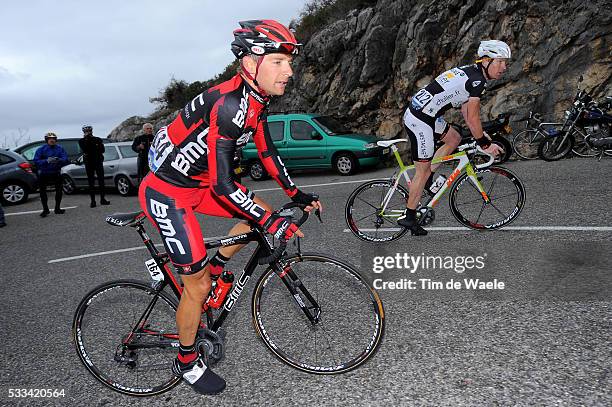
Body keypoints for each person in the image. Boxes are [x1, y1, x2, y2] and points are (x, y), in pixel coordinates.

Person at [139, 20, 322, 395]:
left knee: (255, 214)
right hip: (168, 193)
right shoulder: (230, 104)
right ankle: (187, 361)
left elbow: (267, 151)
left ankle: (219, 266)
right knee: (198, 283)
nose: (288, 72)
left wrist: (295, 194)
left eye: (289, 63)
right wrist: (271, 220)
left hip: (199, 184)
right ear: (251, 63)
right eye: (277, 61)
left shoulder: (256, 99)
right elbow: (225, 186)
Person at [399, 40, 509, 235]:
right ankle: (409, 216)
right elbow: (473, 117)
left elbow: (468, 115)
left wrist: (481, 135)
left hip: (428, 114)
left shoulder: (472, 72)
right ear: (486, 61)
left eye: (505, 62)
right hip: (420, 119)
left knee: (454, 138)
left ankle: (427, 178)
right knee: (421, 171)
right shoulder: (477, 81)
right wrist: (485, 144)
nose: (504, 67)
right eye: (500, 61)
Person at [33, 133, 70, 217]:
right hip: (44, 173)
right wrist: (46, 161)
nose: (52, 140)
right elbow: (36, 161)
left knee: (59, 190)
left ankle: (57, 208)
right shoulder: (41, 149)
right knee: (42, 192)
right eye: (50, 139)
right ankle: (45, 210)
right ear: (46, 140)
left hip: (56, 172)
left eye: (53, 139)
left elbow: (65, 159)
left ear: (56, 140)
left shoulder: (60, 148)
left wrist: (58, 160)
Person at [78, 125, 110, 207]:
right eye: (86, 131)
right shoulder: (81, 141)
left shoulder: (98, 139)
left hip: (98, 161)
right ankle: (93, 201)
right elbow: (85, 149)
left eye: (89, 131)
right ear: (83, 132)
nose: (88, 132)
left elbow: (102, 150)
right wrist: (89, 140)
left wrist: (95, 145)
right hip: (89, 163)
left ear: (92, 131)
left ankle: (103, 199)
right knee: (91, 182)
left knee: (101, 181)